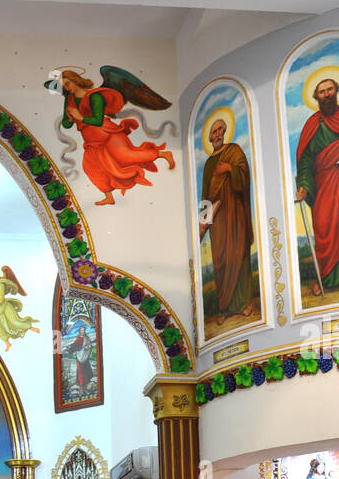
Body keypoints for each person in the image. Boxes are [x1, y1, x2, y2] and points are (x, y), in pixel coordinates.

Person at [58, 68, 174, 206]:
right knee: (91, 167)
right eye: (63, 86)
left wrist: (80, 117)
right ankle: (109, 196)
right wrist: (70, 118)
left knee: (126, 155)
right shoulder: (69, 99)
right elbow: (66, 124)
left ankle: (163, 154)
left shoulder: (95, 97)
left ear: (75, 80)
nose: (66, 88)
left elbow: (98, 120)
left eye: (67, 84)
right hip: (91, 140)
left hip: (107, 133)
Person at [199, 117, 256, 323]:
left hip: (236, 213)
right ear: (209, 136)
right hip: (219, 221)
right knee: (221, 259)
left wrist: (230, 169)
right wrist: (203, 222)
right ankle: (225, 307)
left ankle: (244, 304)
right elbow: (206, 195)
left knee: (239, 255)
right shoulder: (208, 164)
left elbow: (245, 175)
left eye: (221, 130)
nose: (218, 134)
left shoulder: (234, 151)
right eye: (214, 131)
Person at [295, 77, 339, 293]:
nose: (327, 94)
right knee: (324, 227)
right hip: (325, 186)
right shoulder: (313, 125)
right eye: (322, 92)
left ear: (336, 91)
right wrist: (304, 184)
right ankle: (328, 281)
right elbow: (305, 160)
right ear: (316, 97)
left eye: (330, 89)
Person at [0, 267, 40, 351]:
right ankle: (8, 343)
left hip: (5, 308)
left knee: (15, 322)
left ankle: (32, 328)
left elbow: (1, 300)